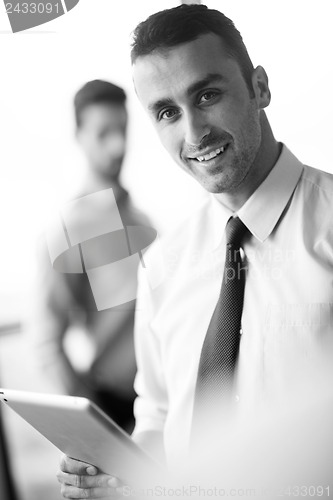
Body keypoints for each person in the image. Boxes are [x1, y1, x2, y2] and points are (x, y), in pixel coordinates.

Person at [57, 5, 333, 497]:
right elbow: (158, 416)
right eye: (166, 112)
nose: (193, 133)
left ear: (260, 88)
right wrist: (121, 477)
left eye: (207, 95)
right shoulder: (162, 262)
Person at [36, 80, 150, 433]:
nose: (117, 146)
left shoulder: (142, 220)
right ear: (79, 135)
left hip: (165, 404)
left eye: (122, 131)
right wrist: (98, 428)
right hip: (118, 411)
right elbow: (47, 344)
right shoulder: (68, 230)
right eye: (103, 133)